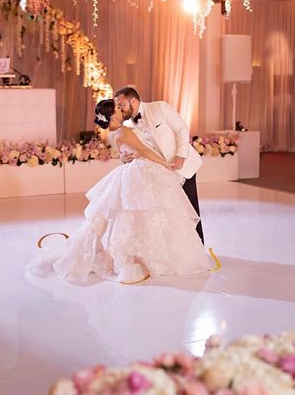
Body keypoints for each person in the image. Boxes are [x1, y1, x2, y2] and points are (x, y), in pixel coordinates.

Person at [27, 99, 210, 284]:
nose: (121, 109)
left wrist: (132, 155)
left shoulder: (114, 133)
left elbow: (128, 153)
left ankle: (146, 255)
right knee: (147, 214)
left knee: (140, 216)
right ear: (113, 114)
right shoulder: (124, 130)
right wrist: (165, 163)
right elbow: (145, 152)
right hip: (143, 170)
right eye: (118, 107)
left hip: (136, 170)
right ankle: (152, 257)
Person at [114, 87, 205, 245]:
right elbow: (138, 150)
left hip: (182, 167)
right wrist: (124, 157)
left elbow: (181, 129)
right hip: (160, 173)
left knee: (190, 209)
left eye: (121, 105)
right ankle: (178, 250)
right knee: (170, 213)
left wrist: (181, 156)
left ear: (133, 101)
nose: (119, 109)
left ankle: (198, 248)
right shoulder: (128, 126)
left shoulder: (160, 107)